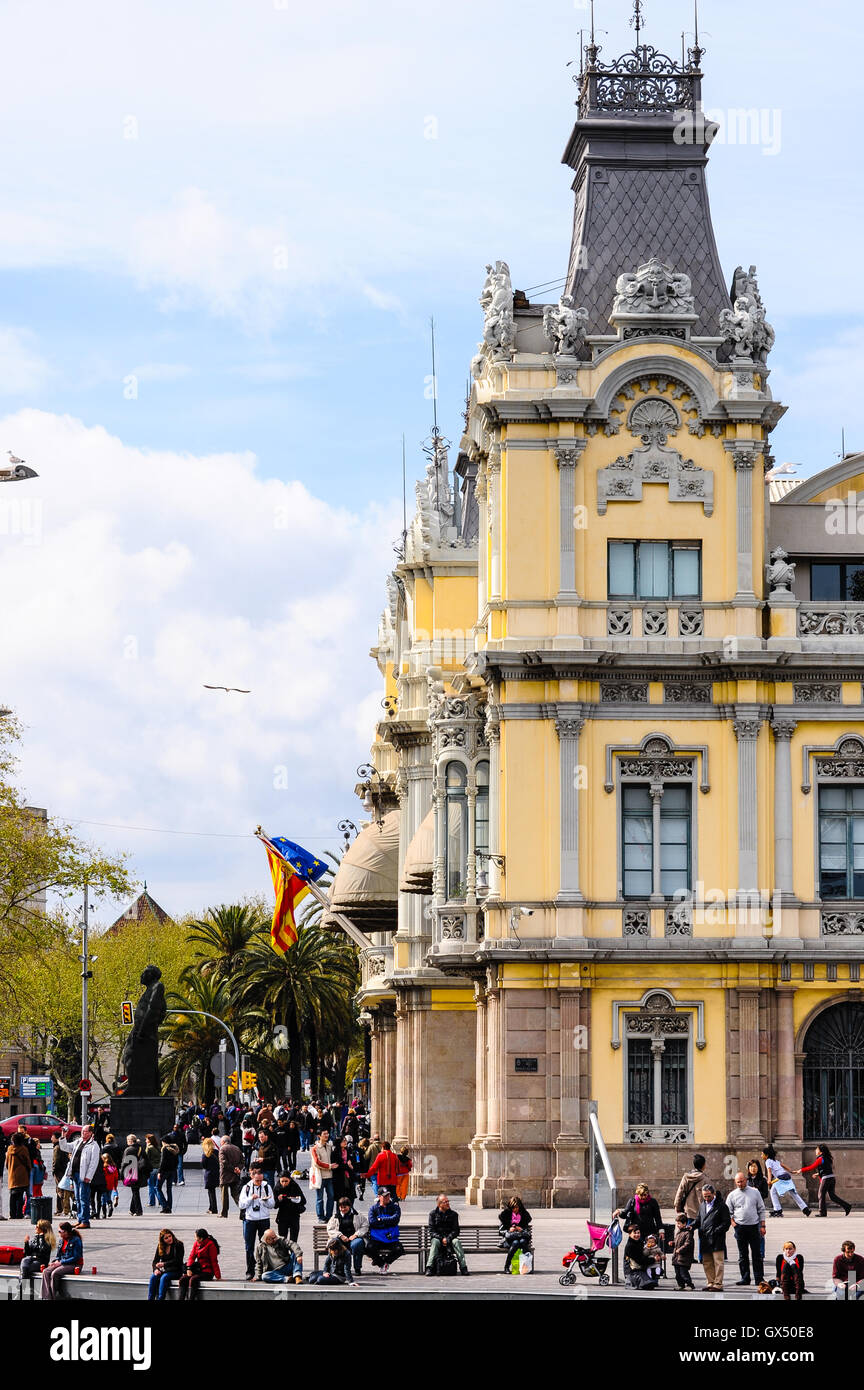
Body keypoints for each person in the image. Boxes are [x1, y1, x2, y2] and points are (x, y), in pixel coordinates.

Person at [726, 1170, 766, 1286]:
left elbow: (761, 1209)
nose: (740, 1184)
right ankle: (745, 1277)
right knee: (743, 1255)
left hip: (754, 1226)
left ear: (746, 1180)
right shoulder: (732, 1195)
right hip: (740, 1227)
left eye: (742, 1181)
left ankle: (759, 1278)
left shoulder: (755, 1192)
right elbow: (728, 1212)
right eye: (738, 1182)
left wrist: (762, 1225)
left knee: (757, 1254)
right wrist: (734, 1224)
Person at [239, 1164, 275, 1280]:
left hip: (264, 1219)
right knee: (249, 1246)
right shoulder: (246, 1188)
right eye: (257, 1180)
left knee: (265, 1245)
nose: (259, 1182)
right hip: (250, 1220)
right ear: (252, 1177)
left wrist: (264, 1201)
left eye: (261, 1180)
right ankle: (250, 1270)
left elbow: (272, 1204)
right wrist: (251, 1198)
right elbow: (241, 1204)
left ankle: (265, 1269)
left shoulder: (266, 1187)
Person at [61, 1124, 101, 1229]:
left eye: (86, 1131)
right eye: (82, 1131)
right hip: (74, 1173)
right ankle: (80, 1219)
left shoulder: (94, 1146)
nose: (83, 1133)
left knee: (83, 1198)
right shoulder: (78, 1142)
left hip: (83, 1175)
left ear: (91, 1133)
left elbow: (94, 1163)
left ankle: (85, 1221)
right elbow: (65, 1147)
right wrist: (63, 1137)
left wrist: (89, 1176)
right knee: (77, 1198)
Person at [795, 1144, 852, 1217]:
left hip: (827, 1179)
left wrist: (801, 1170)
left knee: (821, 1195)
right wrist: (818, 1174)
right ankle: (847, 1206)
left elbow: (812, 1167)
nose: (815, 1150)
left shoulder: (820, 1159)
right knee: (832, 1196)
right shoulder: (826, 1158)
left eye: (817, 1149)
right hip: (831, 1178)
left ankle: (822, 1213)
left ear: (820, 1152)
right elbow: (826, 1169)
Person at [693, 1183, 731, 1291]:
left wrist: (716, 1231)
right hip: (705, 1238)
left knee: (718, 1262)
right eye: (704, 1196)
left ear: (714, 1194)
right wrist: (691, 1227)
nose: (707, 1198)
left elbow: (726, 1223)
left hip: (717, 1238)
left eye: (709, 1196)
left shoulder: (721, 1205)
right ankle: (710, 1282)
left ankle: (718, 1284)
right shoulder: (702, 1205)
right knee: (707, 1262)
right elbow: (698, 1220)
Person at [761, 1145, 810, 1217]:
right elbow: (784, 1166)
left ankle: (777, 1210)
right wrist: (791, 1171)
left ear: (766, 1155)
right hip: (786, 1176)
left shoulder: (768, 1161)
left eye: (762, 1154)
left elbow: (769, 1170)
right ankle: (805, 1209)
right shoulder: (776, 1161)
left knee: (772, 1191)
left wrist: (769, 1180)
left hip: (780, 1178)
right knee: (793, 1193)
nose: (761, 1155)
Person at [426, 1193, 468, 1276]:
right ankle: (429, 1267)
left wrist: (448, 1238)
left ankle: (463, 1267)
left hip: (450, 1239)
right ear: (439, 1204)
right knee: (434, 1242)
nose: (448, 1203)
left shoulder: (453, 1214)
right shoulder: (433, 1214)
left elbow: (456, 1231)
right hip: (438, 1239)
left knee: (456, 1241)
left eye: (448, 1201)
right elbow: (431, 1231)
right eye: (445, 1202)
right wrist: (442, 1238)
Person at [328, 1195, 369, 1277]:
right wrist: (340, 1235)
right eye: (341, 1207)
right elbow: (330, 1229)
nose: (343, 1209)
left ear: (349, 1206)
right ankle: (339, 1268)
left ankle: (357, 1268)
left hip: (353, 1239)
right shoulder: (335, 1217)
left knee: (358, 1244)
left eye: (345, 1207)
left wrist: (356, 1234)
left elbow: (365, 1226)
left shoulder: (357, 1215)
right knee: (335, 1243)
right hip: (341, 1240)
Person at [40, 1222, 83, 1300]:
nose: (59, 1233)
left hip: (74, 1264)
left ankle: (53, 1297)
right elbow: (58, 1256)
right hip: (62, 1262)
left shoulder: (76, 1240)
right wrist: (55, 1261)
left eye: (60, 1231)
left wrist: (61, 1262)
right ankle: (46, 1297)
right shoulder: (61, 1241)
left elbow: (76, 1257)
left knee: (55, 1273)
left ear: (66, 1232)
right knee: (46, 1271)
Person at [366, 1187, 404, 1272]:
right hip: (377, 1239)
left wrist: (381, 1219)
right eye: (385, 1196)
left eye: (388, 1195)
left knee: (399, 1249)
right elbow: (372, 1222)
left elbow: (396, 1219)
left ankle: (386, 1262)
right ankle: (382, 1264)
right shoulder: (373, 1209)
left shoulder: (395, 1207)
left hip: (391, 1238)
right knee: (369, 1248)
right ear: (379, 1197)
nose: (387, 1197)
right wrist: (388, 1222)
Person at [177, 1228, 221, 1300]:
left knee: (193, 1279)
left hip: (208, 1272)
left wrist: (218, 1276)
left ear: (201, 1238)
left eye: (196, 1237)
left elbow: (214, 1261)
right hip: (198, 1269)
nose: (195, 1239)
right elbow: (191, 1257)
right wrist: (189, 1268)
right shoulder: (196, 1244)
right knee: (183, 1279)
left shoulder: (211, 1245)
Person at [498, 1195, 532, 1274]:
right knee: (516, 1243)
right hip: (511, 1239)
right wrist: (509, 1229)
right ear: (511, 1207)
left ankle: (526, 1266)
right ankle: (507, 1266)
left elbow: (526, 1231)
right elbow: (500, 1231)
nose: (515, 1209)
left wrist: (521, 1229)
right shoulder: (505, 1216)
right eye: (514, 1208)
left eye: (517, 1207)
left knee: (523, 1241)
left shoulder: (524, 1215)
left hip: (522, 1237)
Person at [148, 1229, 185, 1300]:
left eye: (170, 1236)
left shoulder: (179, 1244)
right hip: (165, 1270)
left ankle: (160, 1298)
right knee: (153, 1277)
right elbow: (155, 1261)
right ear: (162, 1240)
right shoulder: (160, 1246)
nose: (169, 1239)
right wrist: (155, 1270)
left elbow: (178, 1260)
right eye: (166, 1238)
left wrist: (164, 1264)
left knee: (164, 1277)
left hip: (176, 1270)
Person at [674, 1153, 710, 1222]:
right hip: (702, 1211)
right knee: (703, 1231)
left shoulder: (686, 1177)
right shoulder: (706, 1179)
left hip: (689, 1211)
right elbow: (712, 1195)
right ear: (703, 1165)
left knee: (688, 1230)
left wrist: (677, 1206)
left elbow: (680, 1192)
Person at [5, 1130, 32, 1220]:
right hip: (22, 1175)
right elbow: (28, 1162)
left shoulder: (9, 1149)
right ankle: (19, 1213)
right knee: (20, 1195)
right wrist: (29, 1170)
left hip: (12, 1175)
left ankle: (12, 1214)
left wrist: (10, 1169)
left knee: (12, 1196)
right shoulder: (23, 1149)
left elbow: (7, 1163)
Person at [311, 1128, 336, 1222]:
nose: (327, 1135)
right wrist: (329, 1166)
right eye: (324, 1133)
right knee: (320, 1198)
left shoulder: (329, 1146)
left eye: (327, 1133)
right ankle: (320, 1217)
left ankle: (329, 1216)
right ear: (319, 1136)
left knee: (331, 1196)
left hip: (329, 1176)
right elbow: (317, 1162)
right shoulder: (315, 1148)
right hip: (320, 1176)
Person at [274, 1172, 306, 1243]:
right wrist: (279, 1200)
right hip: (282, 1216)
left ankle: (293, 1254)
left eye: (286, 1181)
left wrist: (295, 1199)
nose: (284, 1183)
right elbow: (275, 1206)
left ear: (290, 1180)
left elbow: (303, 1201)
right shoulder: (277, 1188)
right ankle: (284, 1254)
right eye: (282, 1181)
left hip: (294, 1215)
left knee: (293, 1241)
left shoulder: (294, 1186)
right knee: (282, 1240)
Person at [218, 1132, 245, 1217]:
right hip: (235, 1175)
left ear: (223, 1142)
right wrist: (238, 1168)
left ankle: (224, 1213)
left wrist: (233, 1169)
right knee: (236, 1194)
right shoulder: (237, 1148)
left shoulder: (222, 1149)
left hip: (225, 1175)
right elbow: (242, 1161)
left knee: (224, 1195)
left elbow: (223, 1163)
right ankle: (243, 1208)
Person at [123, 1133, 148, 1216]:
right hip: (140, 1172)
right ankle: (132, 1209)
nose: (127, 1142)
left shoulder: (128, 1150)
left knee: (135, 1191)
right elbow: (146, 1160)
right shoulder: (141, 1148)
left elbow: (124, 1164)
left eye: (128, 1140)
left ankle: (138, 1210)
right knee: (135, 1190)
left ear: (130, 1141)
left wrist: (121, 1174)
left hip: (132, 1172)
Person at [671, 1212, 695, 1290]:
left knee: (683, 1273)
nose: (677, 1225)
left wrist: (680, 1250)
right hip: (676, 1257)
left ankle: (689, 1285)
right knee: (677, 1274)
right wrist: (672, 1243)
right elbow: (677, 1242)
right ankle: (681, 1285)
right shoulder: (679, 1232)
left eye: (679, 1223)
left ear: (684, 1223)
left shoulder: (688, 1233)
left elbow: (687, 1244)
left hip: (684, 1257)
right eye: (677, 1223)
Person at [157, 1135, 180, 1214]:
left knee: (158, 1187)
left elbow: (162, 1162)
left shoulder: (165, 1149)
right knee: (169, 1189)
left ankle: (165, 1205)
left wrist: (159, 1172)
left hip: (164, 1171)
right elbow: (177, 1162)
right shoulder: (175, 1149)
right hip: (172, 1171)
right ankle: (169, 1207)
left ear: (164, 1142)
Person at [52, 1137, 71, 1218]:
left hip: (59, 1172)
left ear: (57, 1138)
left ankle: (63, 1209)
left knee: (60, 1191)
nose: (51, 1139)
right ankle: (60, 1209)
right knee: (63, 1190)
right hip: (64, 1170)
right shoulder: (63, 1147)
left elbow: (56, 1161)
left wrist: (54, 1170)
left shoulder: (57, 1148)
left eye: (52, 1137)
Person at [201, 1136, 220, 1215]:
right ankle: (211, 1207)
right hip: (216, 1173)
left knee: (211, 1192)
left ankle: (213, 1208)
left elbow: (204, 1165)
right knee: (212, 1191)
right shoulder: (216, 1152)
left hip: (209, 1174)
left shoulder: (205, 1155)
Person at [99, 1152, 119, 1218]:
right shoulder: (114, 1167)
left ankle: (104, 1214)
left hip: (104, 1185)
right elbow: (116, 1177)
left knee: (103, 1199)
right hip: (111, 1185)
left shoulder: (103, 1167)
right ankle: (110, 1206)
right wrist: (115, 1186)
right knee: (108, 1197)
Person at [144, 1134, 161, 1209]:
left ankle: (152, 1202)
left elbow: (146, 1158)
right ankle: (160, 1201)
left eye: (146, 1139)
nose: (145, 1140)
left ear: (149, 1140)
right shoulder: (158, 1147)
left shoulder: (149, 1148)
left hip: (151, 1169)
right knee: (156, 1186)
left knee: (151, 1186)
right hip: (157, 1168)